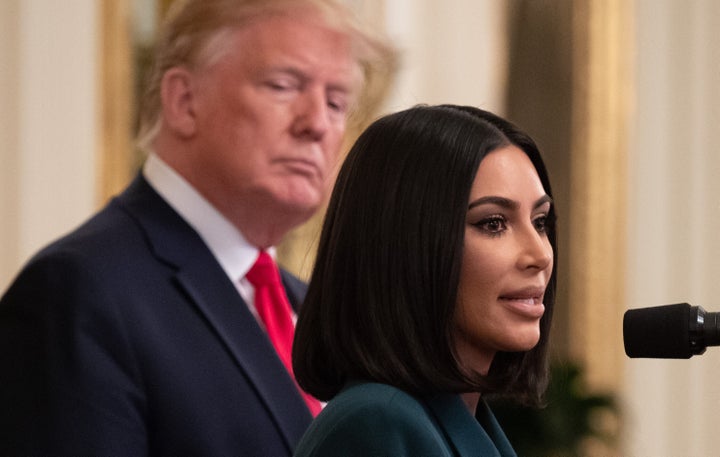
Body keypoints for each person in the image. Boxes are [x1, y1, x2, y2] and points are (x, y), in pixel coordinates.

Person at [0, 0, 395, 455]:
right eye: (284, 86)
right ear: (184, 101)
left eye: (336, 102)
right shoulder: (78, 292)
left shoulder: (311, 310)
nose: (318, 124)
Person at [292, 104, 558, 456]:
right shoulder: (376, 425)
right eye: (493, 223)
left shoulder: (462, 418)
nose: (539, 255)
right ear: (406, 244)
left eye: (540, 222)